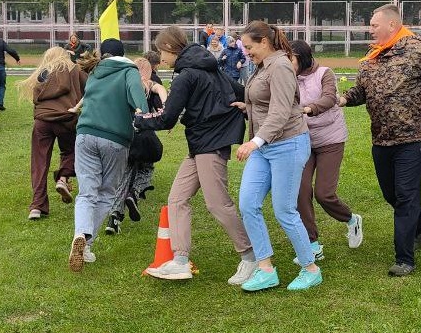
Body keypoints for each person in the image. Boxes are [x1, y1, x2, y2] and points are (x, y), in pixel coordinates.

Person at [339, 4, 421, 277]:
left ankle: (405, 258)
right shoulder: (372, 55)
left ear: (391, 25)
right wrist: (345, 98)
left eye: (374, 25)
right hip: (381, 138)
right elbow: (363, 90)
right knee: (391, 194)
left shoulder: (418, 48)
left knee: (406, 196)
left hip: (411, 137)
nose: (370, 29)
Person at [134, 25, 256, 285]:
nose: (161, 58)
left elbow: (167, 119)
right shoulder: (206, 67)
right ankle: (179, 261)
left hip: (210, 144)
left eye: (160, 52)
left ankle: (251, 257)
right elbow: (241, 91)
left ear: (168, 49)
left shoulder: (186, 75)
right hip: (200, 144)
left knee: (217, 203)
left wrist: (140, 120)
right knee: (177, 198)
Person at [234, 21, 321, 292]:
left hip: (288, 145)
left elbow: (282, 111)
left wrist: (255, 142)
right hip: (265, 147)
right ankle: (266, 269)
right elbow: (261, 103)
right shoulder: (262, 66)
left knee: (284, 210)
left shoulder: (281, 65)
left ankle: (310, 268)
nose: (246, 52)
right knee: (248, 204)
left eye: (249, 47)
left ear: (263, 42)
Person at [68, 38, 148, 272]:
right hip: (115, 139)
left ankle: (80, 235)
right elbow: (138, 101)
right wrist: (143, 113)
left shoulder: (95, 70)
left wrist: (76, 108)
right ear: (124, 54)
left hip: (84, 134)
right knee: (106, 192)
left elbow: (88, 97)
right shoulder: (129, 70)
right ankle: (87, 241)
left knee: (86, 192)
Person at [289, 39, 363, 261]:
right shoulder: (288, 77)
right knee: (301, 191)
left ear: (302, 58)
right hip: (302, 139)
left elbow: (330, 98)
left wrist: (309, 109)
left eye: (290, 59)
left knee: (324, 193)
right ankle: (312, 244)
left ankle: (351, 220)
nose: (287, 63)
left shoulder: (324, 73)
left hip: (330, 139)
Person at [17, 47, 87, 221]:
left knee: (39, 163)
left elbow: (36, 99)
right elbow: (90, 89)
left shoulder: (42, 74)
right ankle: (63, 178)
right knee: (71, 151)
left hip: (42, 121)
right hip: (67, 118)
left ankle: (37, 206)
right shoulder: (74, 70)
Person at [105, 56, 166, 235]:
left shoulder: (120, 84)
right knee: (147, 168)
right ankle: (135, 192)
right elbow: (159, 101)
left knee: (124, 175)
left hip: (123, 136)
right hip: (144, 137)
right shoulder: (150, 85)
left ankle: (114, 218)